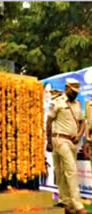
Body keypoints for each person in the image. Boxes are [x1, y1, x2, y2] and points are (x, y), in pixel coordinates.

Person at [46, 78, 88, 214]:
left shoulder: (77, 104)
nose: (75, 94)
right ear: (67, 88)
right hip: (59, 140)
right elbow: (48, 121)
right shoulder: (57, 102)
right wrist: (49, 141)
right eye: (73, 91)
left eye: (76, 92)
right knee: (70, 170)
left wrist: (80, 134)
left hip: (72, 142)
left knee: (63, 172)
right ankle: (77, 205)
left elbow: (82, 122)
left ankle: (66, 203)